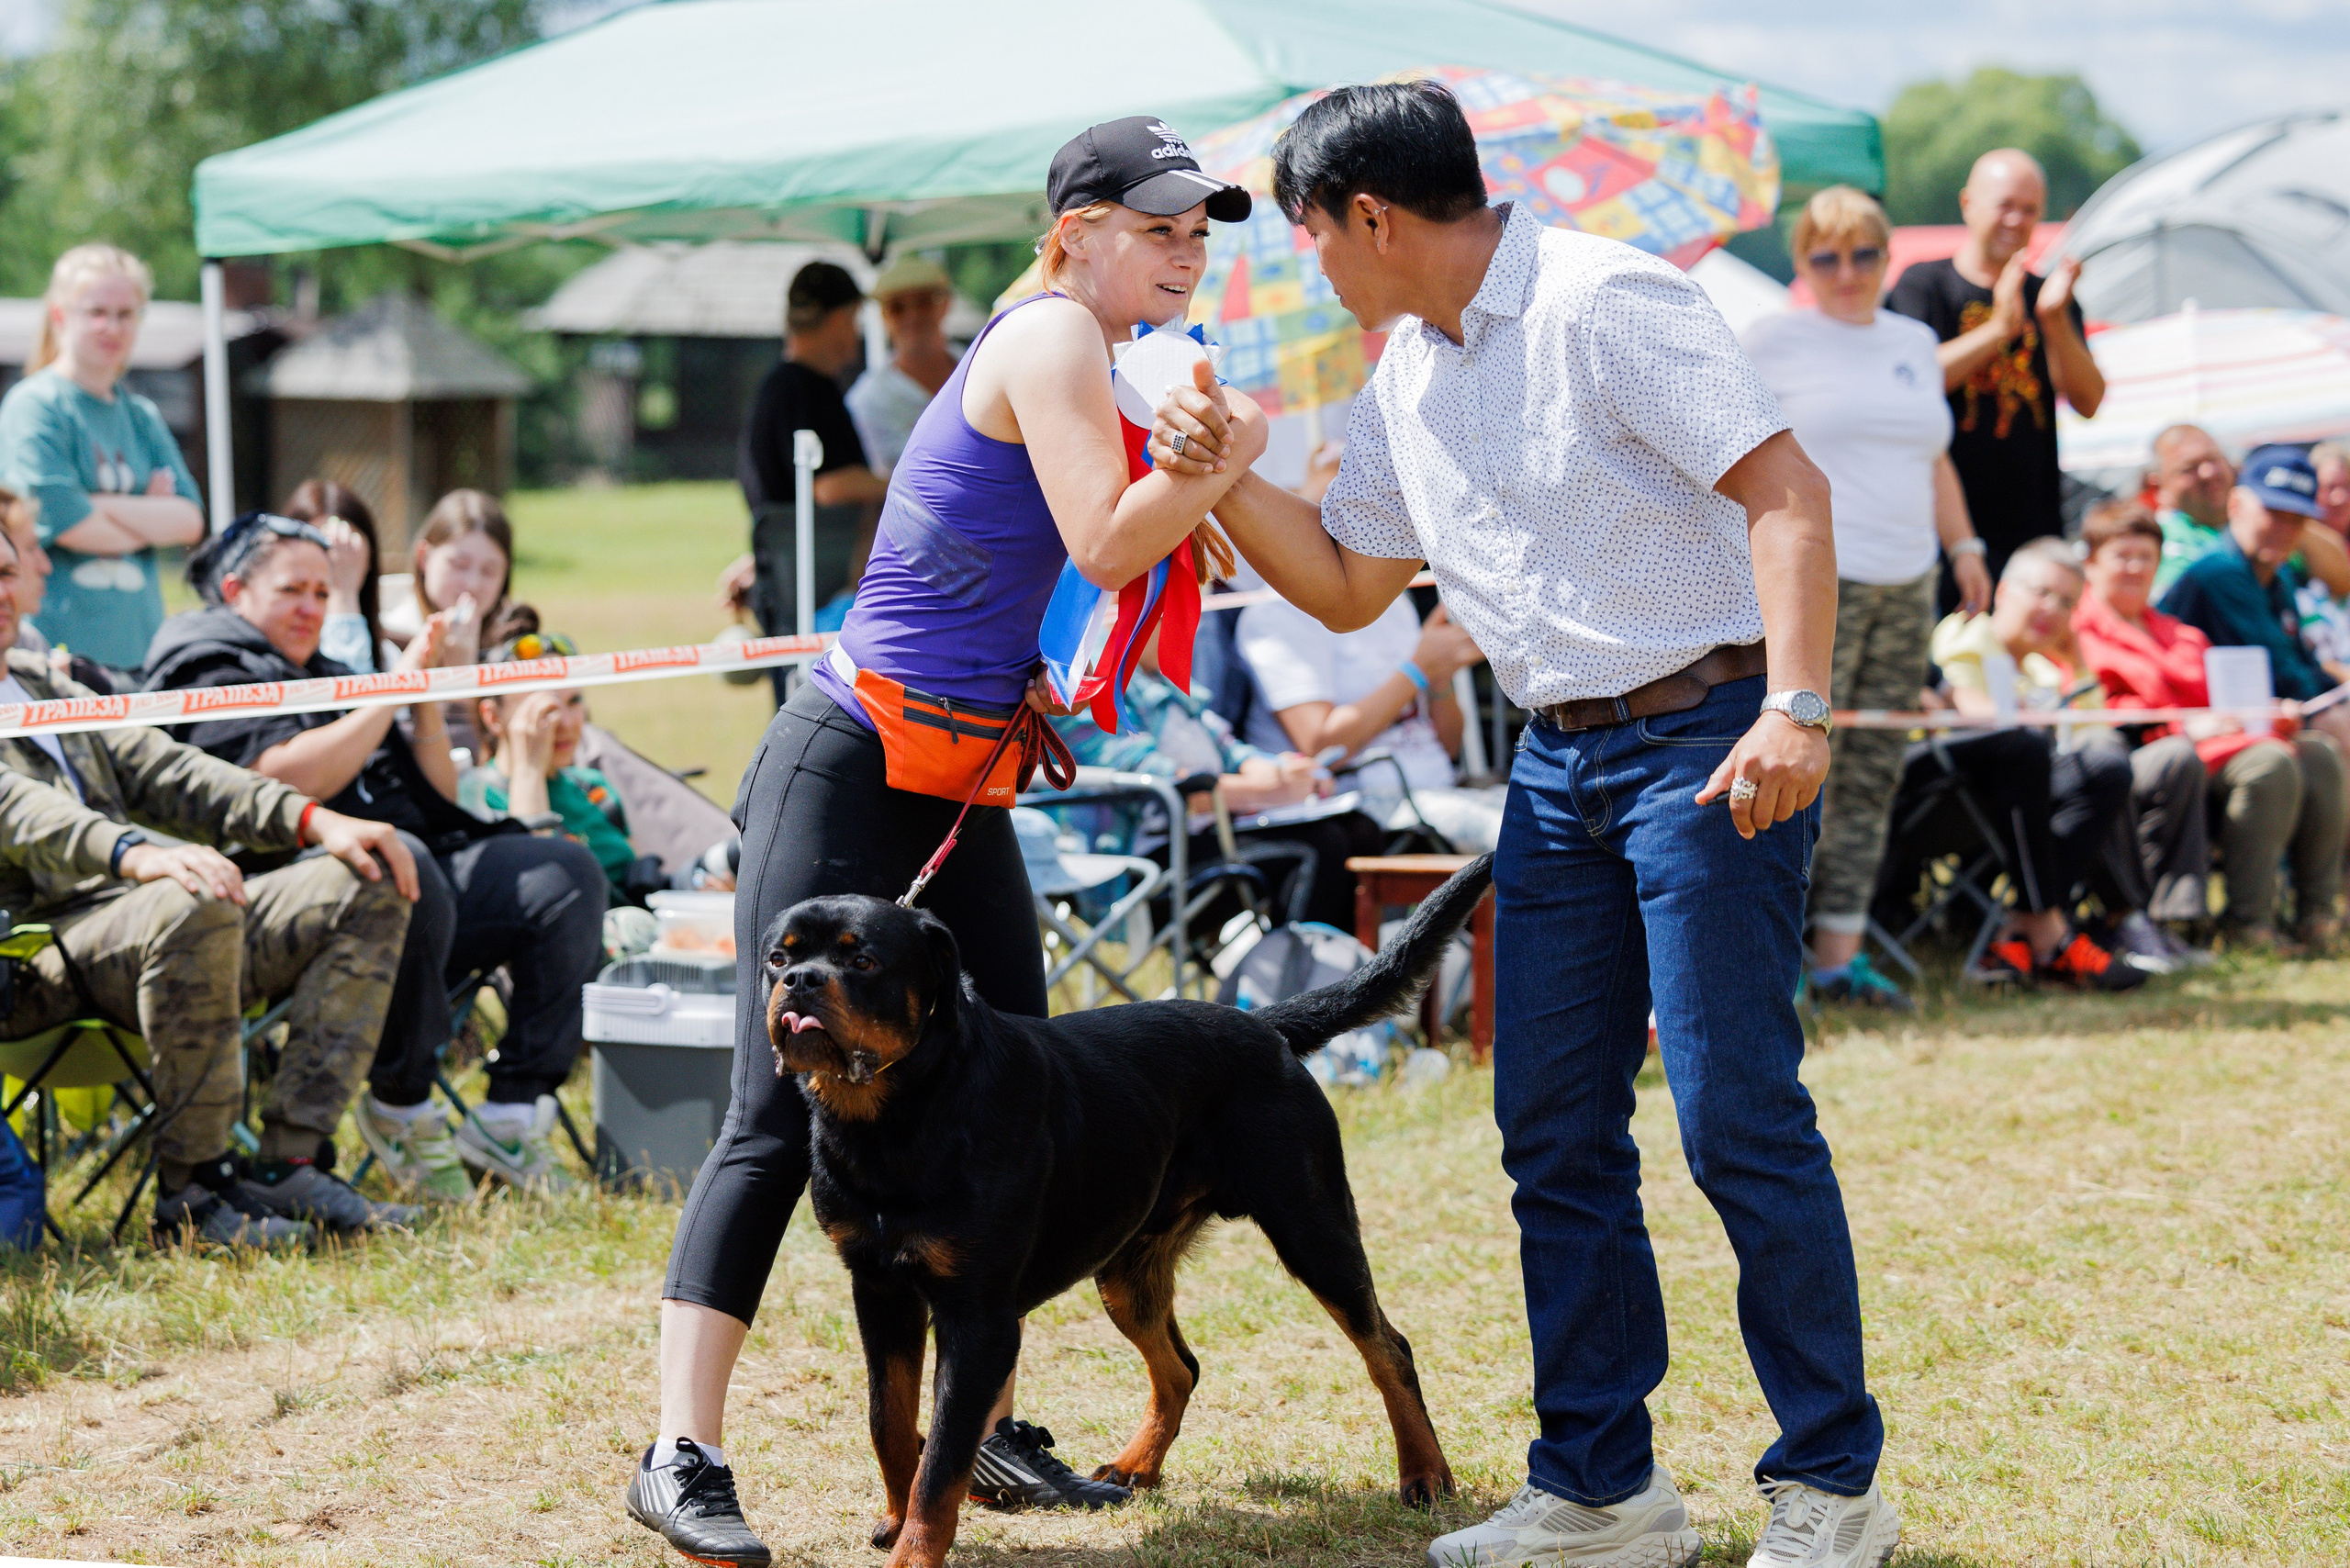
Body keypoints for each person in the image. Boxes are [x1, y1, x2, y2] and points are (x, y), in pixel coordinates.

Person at [1148, 79, 1897, 1568]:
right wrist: (1217, 477)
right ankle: (1606, 1490)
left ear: (1368, 215)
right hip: (1554, 770)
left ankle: (1832, 1485)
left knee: (1735, 1114)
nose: (1310, 266)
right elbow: (1357, 582)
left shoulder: (1605, 298)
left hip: (1710, 732)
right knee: (1549, 1128)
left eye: (1309, 236)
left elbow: (1789, 489)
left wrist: (1795, 709)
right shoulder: (1404, 371)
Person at [632, 115, 1265, 1568]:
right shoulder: (1050, 336)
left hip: (962, 763)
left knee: (1023, 1091)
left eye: (1200, 230)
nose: (1186, 250)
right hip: (850, 758)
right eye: (1157, 225)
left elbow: (1022, 553)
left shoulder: (1085, 356)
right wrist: (1233, 455)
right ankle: (682, 1453)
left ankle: (977, 1435)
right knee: (768, 1114)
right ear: (1075, 232)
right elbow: (1109, 542)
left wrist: (1025, 664)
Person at [144, 512, 608, 1199]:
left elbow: (439, 790)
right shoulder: (209, 665)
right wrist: (389, 690)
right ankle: (400, 1101)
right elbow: (284, 781)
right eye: (291, 590)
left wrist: (423, 696)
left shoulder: (323, 669)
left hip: (418, 878)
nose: (310, 607)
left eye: (321, 593)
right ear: (236, 590)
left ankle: (510, 1112)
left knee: (561, 872)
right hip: (291, 898)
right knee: (401, 859)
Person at [0, 525, 422, 1245]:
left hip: (142, 918)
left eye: (8, 572)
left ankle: (291, 1160)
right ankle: (193, 1196)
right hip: (35, 954)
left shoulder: (40, 681)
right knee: (191, 897)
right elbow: (17, 808)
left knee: (366, 874)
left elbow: (172, 771)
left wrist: (313, 820)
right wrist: (133, 852)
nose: (2, 591)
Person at [1739, 185, 1992, 1009]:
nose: (1846, 271)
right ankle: (1773, 961)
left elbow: (1932, 454)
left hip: (1908, 576)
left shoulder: (1915, 340)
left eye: (1864, 254)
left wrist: (1966, 547)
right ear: (1802, 264)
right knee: (1796, 759)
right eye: (1824, 256)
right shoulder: (1772, 337)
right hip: (1820, 578)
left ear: (1890, 258)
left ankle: (1841, 959)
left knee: (1874, 767)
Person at [2074, 500, 2346, 951]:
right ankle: (2249, 923)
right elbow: (2093, 711)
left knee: (2318, 752)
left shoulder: (2178, 633)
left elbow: (2224, 700)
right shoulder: (2078, 633)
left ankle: (2318, 917)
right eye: (2122, 556)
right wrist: (2181, 726)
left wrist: (2267, 710)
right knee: (2268, 764)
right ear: (2091, 562)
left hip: (2219, 745)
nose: (2136, 568)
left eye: (2146, 557)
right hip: (2149, 756)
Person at [1930, 537, 2199, 977]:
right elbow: (1968, 720)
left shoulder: (2042, 669)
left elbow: (2096, 733)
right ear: (2002, 592)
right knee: (2049, 755)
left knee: (2108, 767)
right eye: (2041, 593)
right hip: (1955, 796)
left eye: (2066, 602)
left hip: (2025, 799)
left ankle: (2027, 924)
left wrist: (2075, 663)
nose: (2051, 610)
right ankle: (2078, 927)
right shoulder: (1965, 636)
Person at [1046, 626, 1382, 931]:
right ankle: (1300, 990)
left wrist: (1288, 771)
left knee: (1360, 830)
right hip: (1132, 871)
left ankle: (1350, 982)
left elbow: (1230, 749)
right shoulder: (1089, 684)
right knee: (1318, 846)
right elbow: (1161, 783)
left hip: (1200, 840)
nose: (1188, 624)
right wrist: (1267, 790)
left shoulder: (1164, 685)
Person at [1886, 150, 2103, 605]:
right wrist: (1999, 329)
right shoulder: (1923, 285)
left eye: (2029, 210)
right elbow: (1914, 382)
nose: (2016, 220)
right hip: (1938, 529)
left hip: (2030, 526)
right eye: (2005, 205)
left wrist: (2054, 320)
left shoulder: (2049, 297)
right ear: (1968, 204)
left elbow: (2089, 401)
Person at [0, 244, 204, 671]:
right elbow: (67, 524)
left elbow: (189, 520)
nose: (112, 326)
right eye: (96, 312)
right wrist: (148, 513)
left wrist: (94, 504)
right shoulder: (35, 406)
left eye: (126, 314)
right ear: (60, 316)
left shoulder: (141, 415)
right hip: (57, 657)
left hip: (142, 651)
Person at [457, 605, 738, 909]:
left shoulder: (591, 787)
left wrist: (702, 895)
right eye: (544, 707)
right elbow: (542, 895)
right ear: (492, 717)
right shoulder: (478, 801)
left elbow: (632, 887)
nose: (566, 722)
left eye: (574, 701)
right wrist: (529, 772)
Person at [719, 262, 891, 701]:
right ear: (838, 319)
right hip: (809, 590)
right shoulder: (803, 389)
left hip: (791, 577)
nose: (854, 335)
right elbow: (828, 487)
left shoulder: (783, 388)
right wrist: (904, 481)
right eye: (853, 322)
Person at [1235, 591, 1505, 849]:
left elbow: (1449, 747)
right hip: (1353, 806)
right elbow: (1322, 746)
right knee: (1520, 840)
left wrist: (1439, 678)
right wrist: (1419, 668)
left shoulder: (1395, 601)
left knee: (1542, 820)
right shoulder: (1274, 613)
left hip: (1441, 790)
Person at [2160, 444, 2350, 757]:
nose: (2285, 530)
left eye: (2297, 519)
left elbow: (2300, 663)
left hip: (2250, 724)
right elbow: (2284, 675)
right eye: (2274, 514)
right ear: (2236, 504)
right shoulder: (2221, 571)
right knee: (2330, 729)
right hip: (2199, 731)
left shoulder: (2279, 575)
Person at [846, 253, 960, 476]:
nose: (913, 316)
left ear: (945, 305)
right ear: (884, 316)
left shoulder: (979, 367)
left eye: (924, 302)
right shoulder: (867, 399)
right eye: (897, 307)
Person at [280, 478, 386, 674]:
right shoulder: (280, 659)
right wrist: (342, 594)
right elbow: (348, 701)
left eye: (349, 548)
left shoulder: (391, 655)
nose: (338, 560)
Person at [2147, 424, 2234, 593]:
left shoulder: (2265, 524)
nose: (2208, 473)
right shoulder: (2156, 541)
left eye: (2213, 459)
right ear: (2158, 483)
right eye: (2189, 468)